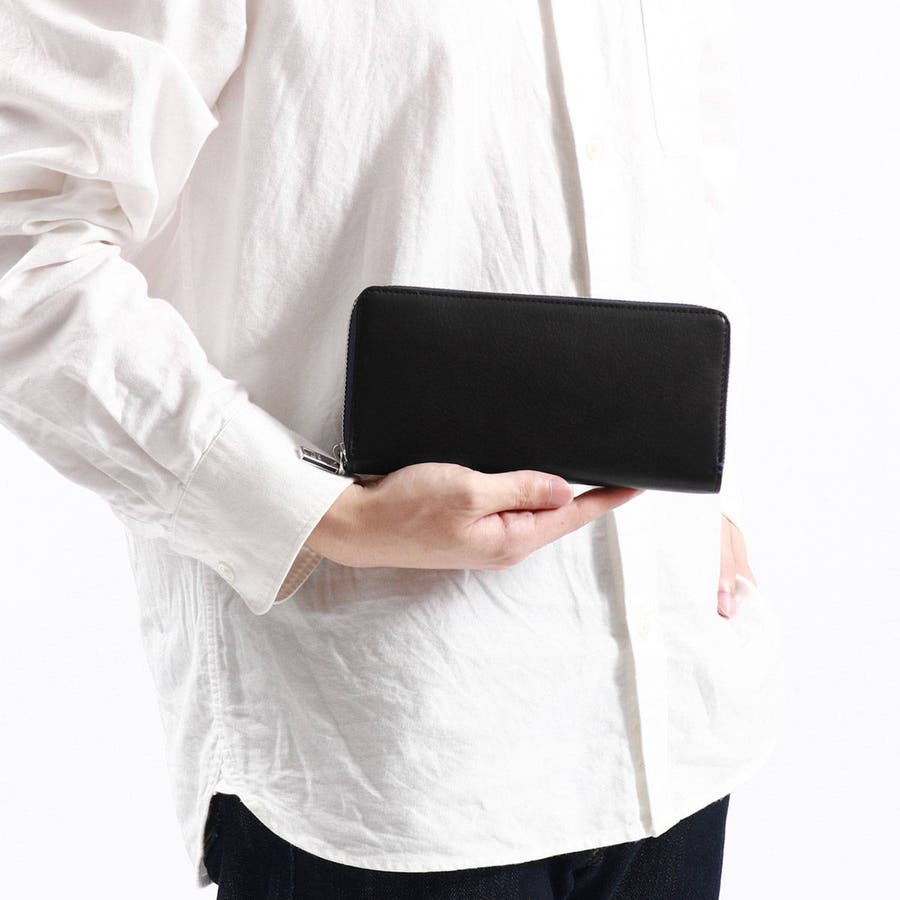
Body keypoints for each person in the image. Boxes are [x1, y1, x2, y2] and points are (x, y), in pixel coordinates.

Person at [0, 2, 780, 898]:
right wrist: (318, 512)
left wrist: (704, 480)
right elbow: (24, 242)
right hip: (389, 746)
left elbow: (680, 183)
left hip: (671, 719)